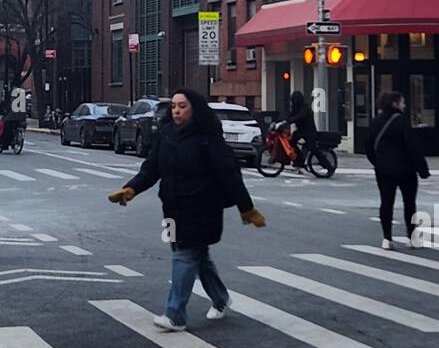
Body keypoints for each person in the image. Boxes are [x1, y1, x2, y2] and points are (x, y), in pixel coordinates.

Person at [108, 87, 266, 331]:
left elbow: (229, 175)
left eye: (182, 106)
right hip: (172, 207)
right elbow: (151, 169)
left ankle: (175, 315)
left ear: (194, 109)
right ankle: (221, 298)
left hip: (202, 207)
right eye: (174, 106)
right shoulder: (166, 135)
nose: (177, 111)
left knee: (184, 254)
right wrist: (131, 189)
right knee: (197, 256)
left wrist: (247, 208)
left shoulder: (208, 138)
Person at [365, 90, 430, 246]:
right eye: (402, 102)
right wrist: (422, 169)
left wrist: (378, 162)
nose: (404, 105)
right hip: (405, 169)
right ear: (395, 104)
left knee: (386, 202)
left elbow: (368, 146)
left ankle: (387, 237)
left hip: (384, 169)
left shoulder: (376, 121)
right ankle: (412, 236)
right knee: (409, 203)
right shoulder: (402, 121)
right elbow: (413, 146)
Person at [281, 89, 318, 168]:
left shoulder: (305, 107)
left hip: (309, 131)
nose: (293, 102)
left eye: (295, 100)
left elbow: (300, 116)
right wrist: (283, 120)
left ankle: (327, 166)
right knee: (292, 141)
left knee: (313, 149)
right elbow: (291, 114)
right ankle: (299, 159)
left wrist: (290, 121)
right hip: (302, 130)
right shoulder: (296, 107)